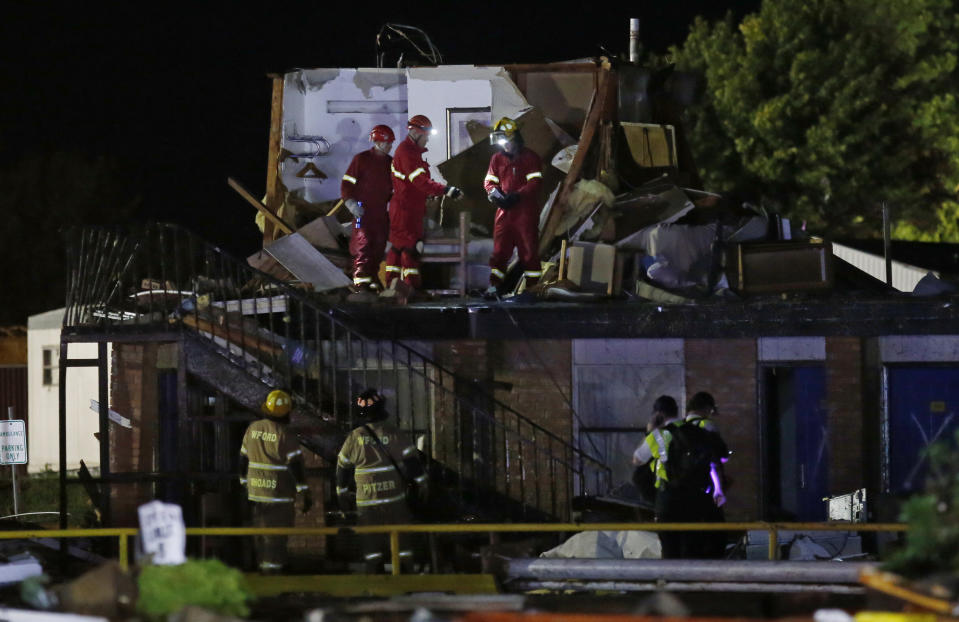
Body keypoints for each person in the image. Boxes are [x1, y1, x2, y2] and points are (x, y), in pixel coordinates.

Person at [336, 388, 428, 573]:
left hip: (367, 504)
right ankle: (404, 580)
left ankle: (376, 581)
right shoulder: (395, 434)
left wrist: (342, 493)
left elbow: (343, 469)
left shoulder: (355, 438)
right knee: (401, 545)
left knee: (371, 548)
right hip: (394, 501)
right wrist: (423, 484)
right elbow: (412, 465)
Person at [632, 395, 727, 559]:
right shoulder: (699, 432)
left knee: (670, 549)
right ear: (677, 411)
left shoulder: (658, 435)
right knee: (692, 548)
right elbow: (714, 462)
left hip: (667, 500)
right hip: (695, 498)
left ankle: (672, 582)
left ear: (659, 414)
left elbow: (637, 460)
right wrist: (718, 489)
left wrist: (650, 430)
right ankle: (692, 581)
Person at [385, 115, 462, 294]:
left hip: (408, 208)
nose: (427, 139)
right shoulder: (407, 153)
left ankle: (393, 288)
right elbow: (419, 181)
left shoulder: (411, 153)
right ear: (416, 132)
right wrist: (446, 190)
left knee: (398, 248)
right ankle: (411, 288)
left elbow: (418, 183)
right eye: (426, 135)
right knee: (410, 248)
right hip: (405, 210)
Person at [239, 389, 312, 573]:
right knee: (276, 541)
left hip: (255, 495)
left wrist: (243, 483)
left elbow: (243, 459)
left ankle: (264, 575)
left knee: (262, 538)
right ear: (287, 412)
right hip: (278, 496)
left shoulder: (253, 428)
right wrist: (304, 492)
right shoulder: (285, 434)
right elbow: (295, 466)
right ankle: (273, 580)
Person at [482, 117, 544, 298]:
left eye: (506, 141)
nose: (504, 146)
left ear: (515, 138)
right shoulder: (497, 158)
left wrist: (518, 195)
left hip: (525, 212)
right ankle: (494, 288)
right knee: (499, 253)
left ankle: (533, 290)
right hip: (504, 212)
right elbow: (489, 181)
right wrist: (495, 195)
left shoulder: (530, 157)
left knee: (529, 252)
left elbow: (535, 182)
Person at [341, 124, 395, 293]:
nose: (389, 146)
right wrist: (351, 203)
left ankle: (371, 280)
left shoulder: (390, 163)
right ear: (377, 142)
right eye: (386, 143)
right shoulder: (361, 159)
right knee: (362, 244)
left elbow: (395, 188)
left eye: (390, 143)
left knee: (378, 246)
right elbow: (347, 183)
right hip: (360, 210)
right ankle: (360, 284)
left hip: (380, 213)